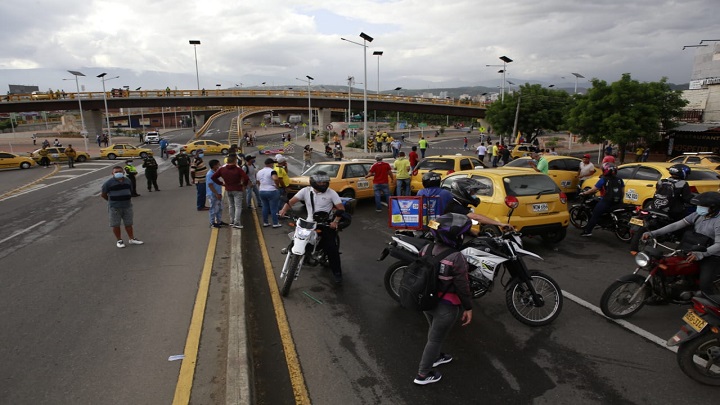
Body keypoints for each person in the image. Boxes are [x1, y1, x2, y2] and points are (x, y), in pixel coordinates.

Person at [413, 213, 473, 385]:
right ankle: (423, 374)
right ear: (454, 237)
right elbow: (463, 286)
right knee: (435, 338)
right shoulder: (456, 257)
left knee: (434, 330)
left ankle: (437, 356)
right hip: (446, 307)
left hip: (426, 301)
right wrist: (468, 308)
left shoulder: (426, 248)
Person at [642, 192, 720, 295]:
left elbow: (719, 245)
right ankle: (662, 295)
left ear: (713, 208)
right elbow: (676, 225)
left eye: (702, 206)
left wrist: (702, 254)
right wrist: (653, 233)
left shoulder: (718, 221)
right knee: (664, 267)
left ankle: (706, 306)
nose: (699, 208)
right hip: (693, 247)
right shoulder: (697, 215)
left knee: (705, 284)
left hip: (712, 255)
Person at [279, 171, 347, 284]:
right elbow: (291, 202)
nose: (323, 184)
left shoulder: (331, 193)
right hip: (310, 222)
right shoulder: (305, 191)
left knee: (331, 249)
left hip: (326, 223)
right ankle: (291, 249)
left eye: (325, 182)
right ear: (313, 182)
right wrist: (283, 210)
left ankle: (337, 274)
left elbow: (341, 209)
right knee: (298, 236)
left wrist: (335, 221)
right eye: (320, 182)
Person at [445, 178, 515, 231]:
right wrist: (500, 224)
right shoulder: (454, 206)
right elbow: (476, 217)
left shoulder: (461, 204)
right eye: (472, 193)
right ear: (463, 192)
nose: (474, 195)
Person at [101, 166, 144, 248]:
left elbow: (130, 190)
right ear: (112, 173)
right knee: (116, 224)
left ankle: (131, 239)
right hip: (114, 207)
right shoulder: (108, 183)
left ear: (123, 172)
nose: (118, 173)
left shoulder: (128, 180)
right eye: (116, 172)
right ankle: (119, 240)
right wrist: (112, 201)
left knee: (129, 223)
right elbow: (103, 194)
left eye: (120, 171)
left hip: (127, 206)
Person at [579, 163, 625, 237]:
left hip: (606, 201)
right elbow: (623, 192)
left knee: (595, 215)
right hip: (618, 201)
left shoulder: (603, 179)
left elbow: (593, 190)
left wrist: (584, 193)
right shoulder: (620, 180)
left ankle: (587, 231)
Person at [212, 155, 249, 229]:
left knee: (231, 205)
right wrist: (244, 185)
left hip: (228, 188)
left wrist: (221, 183)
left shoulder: (222, 169)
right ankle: (237, 222)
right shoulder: (238, 169)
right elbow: (246, 178)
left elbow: (213, 177)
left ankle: (232, 221)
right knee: (238, 206)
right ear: (234, 161)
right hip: (237, 188)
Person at [257, 158, 283, 228]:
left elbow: (258, 182)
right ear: (271, 164)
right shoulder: (272, 171)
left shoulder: (259, 172)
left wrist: (261, 187)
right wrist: (277, 185)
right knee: (273, 208)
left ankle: (265, 222)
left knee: (265, 207)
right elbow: (275, 178)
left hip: (262, 191)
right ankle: (275, 223)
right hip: (271, 191)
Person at [206, 159, 226, 228]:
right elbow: (210, 185)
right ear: (214, 166)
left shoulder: (215, 172)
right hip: (213, 194)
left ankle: (219, 221)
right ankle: (212, 223)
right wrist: (216, 194)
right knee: (213, 208)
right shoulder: (210, 174)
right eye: (218, 164)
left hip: (218, 193)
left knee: (219, 208)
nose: (219, 166)